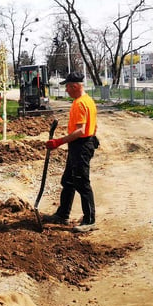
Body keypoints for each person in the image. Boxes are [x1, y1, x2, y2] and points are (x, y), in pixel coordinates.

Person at [44, 71, 100, 232]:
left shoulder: (80, 104)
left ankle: (89, 220)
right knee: (68, 180)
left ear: (75, 86)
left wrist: (58, 142)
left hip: (81, 145)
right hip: (81, 145)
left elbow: (81, 131)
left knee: (82, 182)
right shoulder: (88, 100)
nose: (66, 90)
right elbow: (93, 126)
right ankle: (62, 214)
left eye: (68, 87)